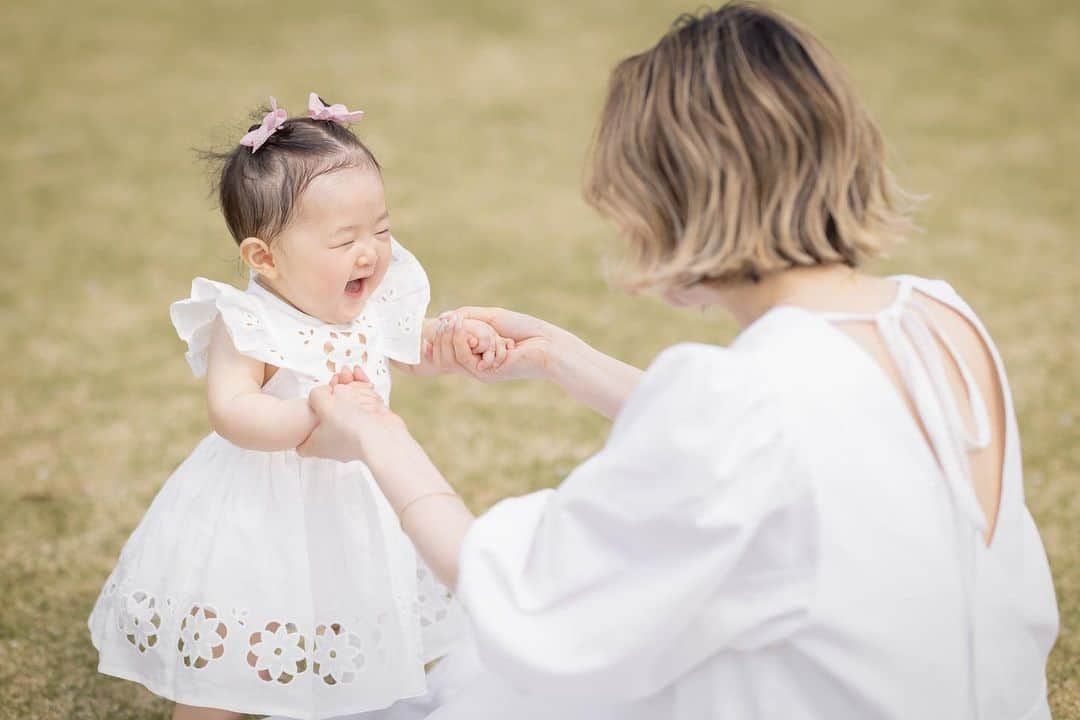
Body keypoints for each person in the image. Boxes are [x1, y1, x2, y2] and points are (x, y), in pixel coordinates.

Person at [296, 5, 1060, 719]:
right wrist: (563, 358)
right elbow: (813, 455)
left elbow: (525, 598)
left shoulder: (744, 403)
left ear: (678, 200)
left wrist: (378, 435)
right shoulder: (938, 317)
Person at [87, 93, 511, 720]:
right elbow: (231, 410)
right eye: (345, 239)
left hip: (349, 501)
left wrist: (447, 343)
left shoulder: (369, 298)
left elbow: (402, 349)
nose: (371, 251)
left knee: (343, 620)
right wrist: (308, 415)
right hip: (260, 510)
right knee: (238, 645)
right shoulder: (250, 322)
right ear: (265, 258)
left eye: (383, 229)